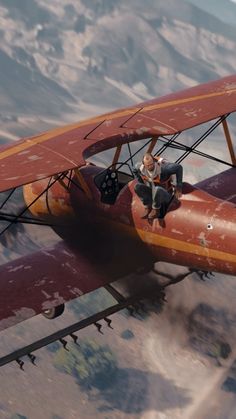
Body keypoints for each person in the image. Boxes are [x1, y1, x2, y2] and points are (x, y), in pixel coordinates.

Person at [133, 153, 183, 220]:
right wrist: (141, 183)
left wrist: (179, 187)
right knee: (137, 186)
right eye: (148, 165)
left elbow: (179, 167)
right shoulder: (140, 167)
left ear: (154, 161)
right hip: (153, 192)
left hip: (166, 195)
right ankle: (147, 206)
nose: (150, 167)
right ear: (144, 165)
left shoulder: (164, 168)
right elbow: (134, 169)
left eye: (152, 164)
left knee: (158, 189)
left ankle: (156, 210)